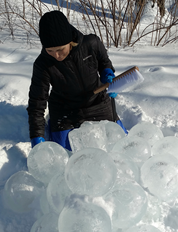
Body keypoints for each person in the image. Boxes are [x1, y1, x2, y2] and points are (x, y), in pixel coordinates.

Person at [27, 10, 127, 150]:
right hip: (65, 110)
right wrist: (36, 136)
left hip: (97, 102)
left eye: (60, 49)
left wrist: (107, 72)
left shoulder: (91, 43)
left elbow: (104, 62)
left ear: (70, 41)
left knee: (115, 145)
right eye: (50, 50)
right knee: (66, 152)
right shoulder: (42, 64)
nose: (56, 55)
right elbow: (37, 103)